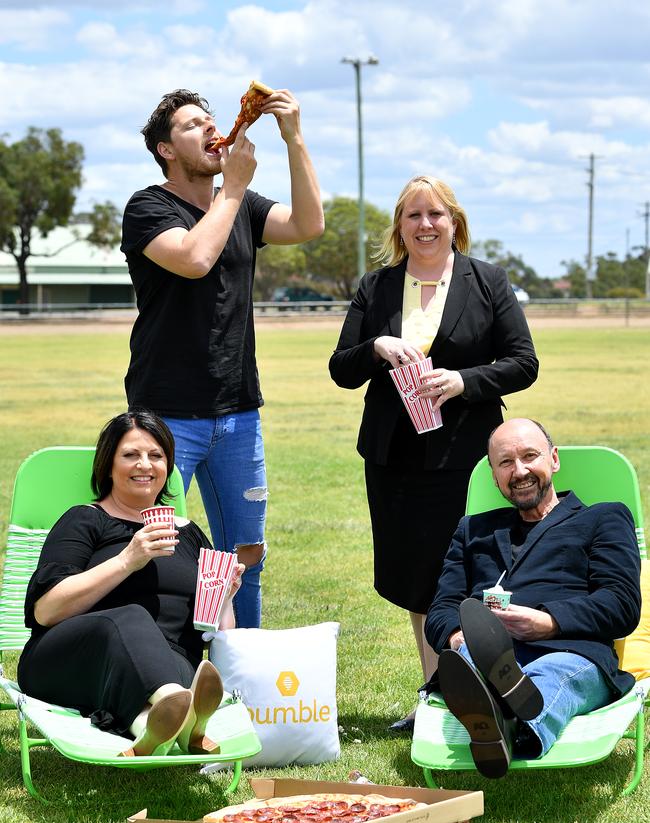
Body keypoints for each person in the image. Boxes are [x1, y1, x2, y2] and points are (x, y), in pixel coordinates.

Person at [329, 175, 538, 731]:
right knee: (420, 578)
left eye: (436, 214)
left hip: (466, 458)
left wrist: (463, 381)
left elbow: (523, 362)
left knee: (474, 571)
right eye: (413, 215)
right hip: (395, 460)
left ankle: (487, 687)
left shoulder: (488, 281)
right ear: (400, 226)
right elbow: (340, 369)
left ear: (455, 222)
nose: (425, 224)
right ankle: (435, 694)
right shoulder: (376, 287)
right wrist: (374, 347)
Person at [121, 87, 324, 629]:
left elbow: (308, 226)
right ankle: (161, 662)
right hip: (165, 416)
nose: (212, 130)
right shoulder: (148, 206)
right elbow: (194, 258)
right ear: (166, 149)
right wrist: (233, 187)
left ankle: (239, 666)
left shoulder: (240, 205)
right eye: (193, 125)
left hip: (238, 413)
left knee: (244, 556)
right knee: (155, 550)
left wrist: (293, 137)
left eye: (213, 120)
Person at [17, 411, 244, 757]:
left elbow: (214, 632)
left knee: (180, 666)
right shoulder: (85, 520)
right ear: (108, 465)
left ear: (168, 466)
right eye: (130, 455)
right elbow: (46, 610)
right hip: (70, 660)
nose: (145, 465)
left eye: (156, 456)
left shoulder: (191, 534)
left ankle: (153, 723)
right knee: (130, 618)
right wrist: (127, 560)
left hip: (168, 665)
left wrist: (225, 597)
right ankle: (180, 712)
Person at [425, 417, 642, 778]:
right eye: (506, 463)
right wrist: (458, 636)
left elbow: (621, 604)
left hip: (570, 651)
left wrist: (548, 622)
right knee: (469, 657)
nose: (520, 470)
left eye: (530, 456)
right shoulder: (473, 530)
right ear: (494, 475)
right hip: (484, 650)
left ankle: (500, 723)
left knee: (552, 675)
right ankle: (502, 711)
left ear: (553, 459)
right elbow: (442, 608)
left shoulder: (603, 518)